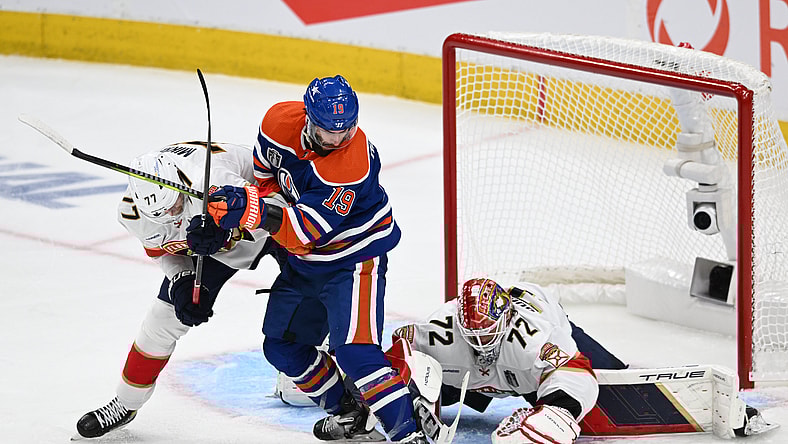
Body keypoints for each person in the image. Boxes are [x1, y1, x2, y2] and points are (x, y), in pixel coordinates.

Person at [205, 75, 427, 442]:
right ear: (308, 117)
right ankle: (350, 412)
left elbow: (303, 232)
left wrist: (249, 209)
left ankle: (409, 435)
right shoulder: (276, 122)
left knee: (356, 353)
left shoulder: (351, 163)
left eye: (346, 130)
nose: (338, 140)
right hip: (304, 262)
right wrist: (238, 205)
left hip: (353, 260)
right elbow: (267, 182)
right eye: (328, 132)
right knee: (282, 347)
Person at [74, 142, 287, 439]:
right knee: (161, 322)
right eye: (163, 216)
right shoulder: (132, 214)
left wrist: (227, 227)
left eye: (175, 207)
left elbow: (275, 212)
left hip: (271, 217)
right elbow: (165, 251)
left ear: (180, 184)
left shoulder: (213, 179)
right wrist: (182, 278)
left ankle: (335, 363)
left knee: (318, 284)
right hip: (215, 250)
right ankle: (126, 403)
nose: (173, 218)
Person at [392, 278, 626, 444]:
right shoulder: (440, 330)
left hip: (528, 373)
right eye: (474, 335)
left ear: (508, 317)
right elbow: (399, 346)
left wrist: (559, 412)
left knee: (598, 381)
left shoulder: (537, 337)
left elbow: (575, 368)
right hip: (468, 377)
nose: (482, 343)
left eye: (488, 333)